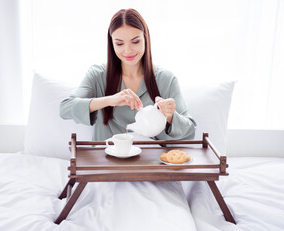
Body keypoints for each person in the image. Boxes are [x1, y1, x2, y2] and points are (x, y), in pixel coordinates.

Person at [60, 8, 196, 141]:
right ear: (111, 43)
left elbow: (190, 132)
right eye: (119, 43)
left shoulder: (166, 79)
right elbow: (65, 108)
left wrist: (170, 116)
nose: (128, 50)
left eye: (135, 41)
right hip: (105, 160)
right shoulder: (97, 75)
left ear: (145, 38)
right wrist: (109, 100)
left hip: (151, 160)